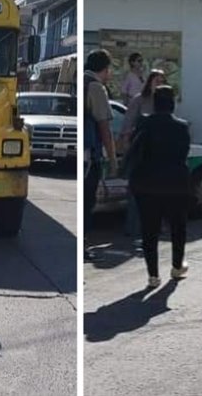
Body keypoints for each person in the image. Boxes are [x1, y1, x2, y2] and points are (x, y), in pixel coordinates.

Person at [127, 85, 191, 288]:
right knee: (178, 227)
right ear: (172, 103)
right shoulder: (182, 127)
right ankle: (177, 266)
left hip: (146, 184)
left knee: (149, 230)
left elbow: (135, 151)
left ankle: (153, 276)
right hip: (176, 184)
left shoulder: (144, 123)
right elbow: (184, 154)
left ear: (154, 103)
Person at [119, 69, 167, 243]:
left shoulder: (164, 103)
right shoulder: (139, 100)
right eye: (156, 81)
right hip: (140, 152)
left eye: (162, 82)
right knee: (136, 193)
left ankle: (155, 227)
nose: (159, 85)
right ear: (149, 82)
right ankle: (133, 228)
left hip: (159, 154)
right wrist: (127, 148)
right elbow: (127, 126)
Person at [84, 49, 118, 262]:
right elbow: (104, 127)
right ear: (105, 69)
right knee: (87, 202)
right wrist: (113, 159)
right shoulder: (96, 87)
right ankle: (83, 245)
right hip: (89, 155)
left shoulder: (81, 81)